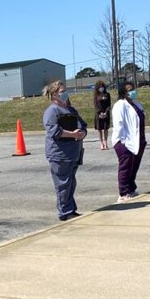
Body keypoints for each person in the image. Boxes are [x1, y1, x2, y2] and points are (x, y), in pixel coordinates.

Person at [42, 81, 88, 221]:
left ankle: (70, 209)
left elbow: (83, 125)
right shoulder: (52, 111)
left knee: (70, 183)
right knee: (62, 184)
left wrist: (82, 133)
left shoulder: (71, 110)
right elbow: (54, 131)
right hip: (60, 155)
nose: (65, 94)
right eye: (62, 92)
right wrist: (72, 134)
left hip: (73, 154)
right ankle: (64, 212)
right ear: (54, 95)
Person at [111, 82, 147, 203]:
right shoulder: (120, 105)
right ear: (123, 93)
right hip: (125, 143)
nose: (133, 92)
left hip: (138, 141)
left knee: (134, 167)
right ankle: (123, 192)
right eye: (129, 90)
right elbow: (118, 125)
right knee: (125, 168)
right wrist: (123, 142)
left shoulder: (136, 103)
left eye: (133, 89)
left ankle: (131, 189)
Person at [93, 80, 111, 150]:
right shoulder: (96, 95)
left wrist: (106, 112)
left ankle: (106, 143)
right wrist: (100, 112)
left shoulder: (107, 94)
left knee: (105, 129)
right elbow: (95, 105)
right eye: (100, 87)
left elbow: (109, 104)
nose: (101, 88)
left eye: (102, 86)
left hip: (106, 114)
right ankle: (101, 143)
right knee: (100, 129)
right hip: (98, 114)